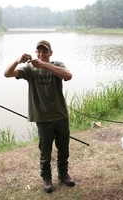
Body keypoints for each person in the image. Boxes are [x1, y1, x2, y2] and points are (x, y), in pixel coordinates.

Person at [4, 40, 75, 193]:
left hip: (61, 115)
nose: (41, 54)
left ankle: (63, 173)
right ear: (36, 53)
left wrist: (44, 65)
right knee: (45, 150)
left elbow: (68, 75)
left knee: (63, 148)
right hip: (42, 118)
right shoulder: (30, 69)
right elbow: (7, 73)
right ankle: (47, 177)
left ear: (50, 53)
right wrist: (17, 60)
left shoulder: (57, 65)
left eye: (45, 51)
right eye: (39, 52)